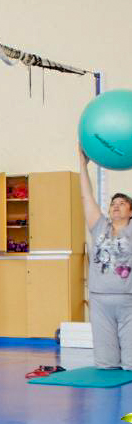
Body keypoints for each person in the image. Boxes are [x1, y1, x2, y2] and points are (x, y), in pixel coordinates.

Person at [79, 146, 132, 370]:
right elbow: (86, 196)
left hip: (128, 300)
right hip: (100, 300)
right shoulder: (99, 226)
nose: (116, 206)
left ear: (131, 211)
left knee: (131, 363)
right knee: (106, 364)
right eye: (113, 203)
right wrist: (82, 164)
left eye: (122, 203)